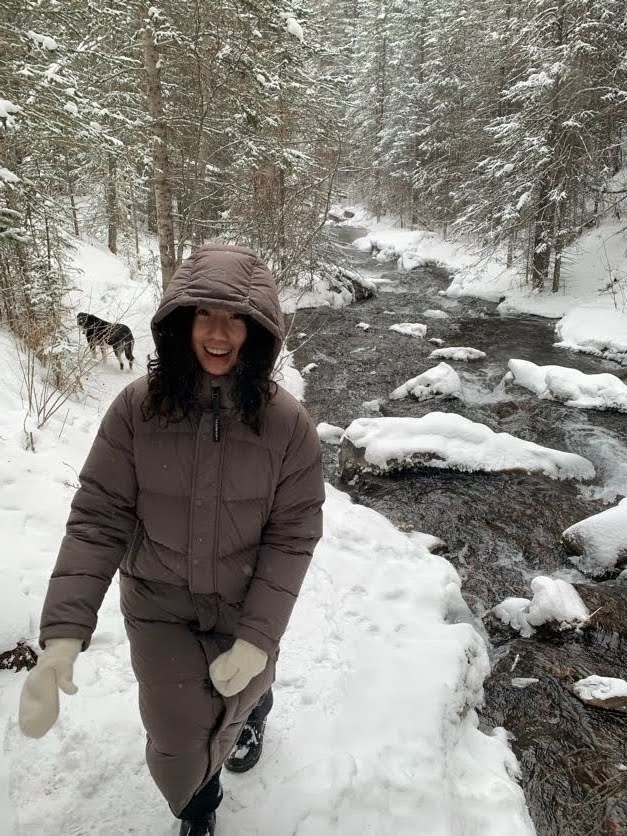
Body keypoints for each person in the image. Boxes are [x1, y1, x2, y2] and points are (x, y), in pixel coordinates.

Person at [18, 244, 325, 836]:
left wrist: (260, 638)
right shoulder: (137, 410)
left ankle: (257, 702)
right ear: (178, 322)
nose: (217, 332)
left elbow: (293, 536)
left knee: (243, 684)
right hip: (159, 604)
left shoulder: (288, 426)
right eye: (203, 314)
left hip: (244, 602)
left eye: (235, 317)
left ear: (257, 329)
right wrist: (62, 636)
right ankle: (200, 809)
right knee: (179, 736)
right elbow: (98, 518)